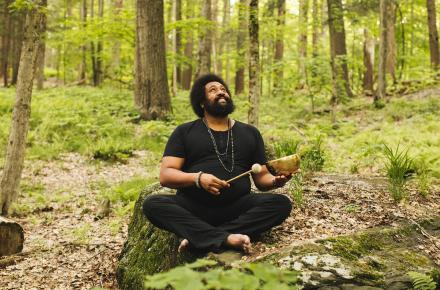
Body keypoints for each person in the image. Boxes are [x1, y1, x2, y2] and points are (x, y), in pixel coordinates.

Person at [143, 74, 294, 254]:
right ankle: (227, 237)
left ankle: (203, 237)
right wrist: (198, 178)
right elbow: (166, 175)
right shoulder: (184, 132)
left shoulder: (250, 133)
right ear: (201, 102)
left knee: (281, 204)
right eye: (213, 90)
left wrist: (275, 181)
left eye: (223, 90)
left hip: (237, 207)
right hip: (194, 207)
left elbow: (261, 178)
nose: (221, 93)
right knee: (153, 204)